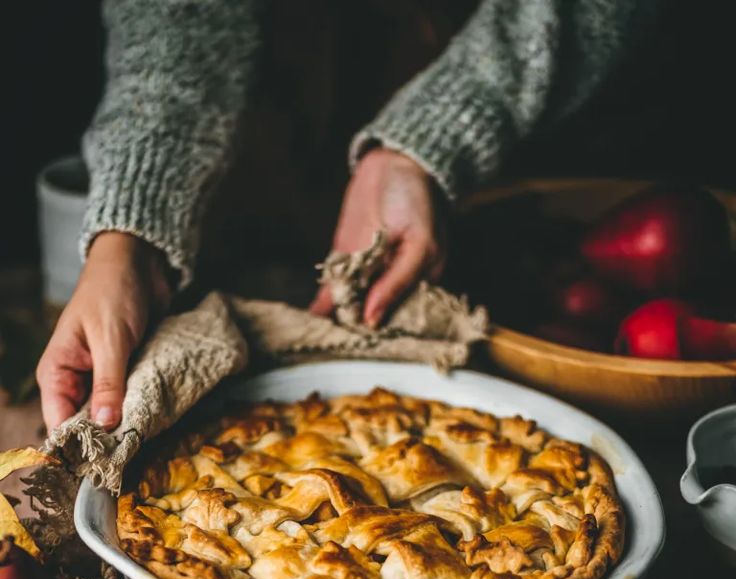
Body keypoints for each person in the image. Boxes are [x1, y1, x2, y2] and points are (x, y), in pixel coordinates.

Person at [36, 0, 658, 433]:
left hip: (545, 169)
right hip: (253, 146)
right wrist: (131, 235)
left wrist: (430, 140)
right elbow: (173, 21)